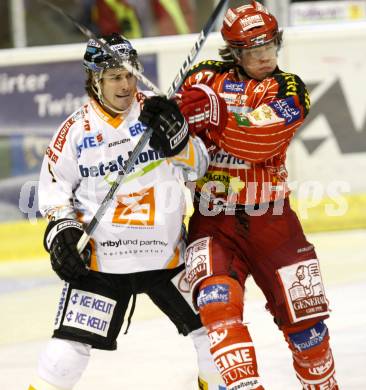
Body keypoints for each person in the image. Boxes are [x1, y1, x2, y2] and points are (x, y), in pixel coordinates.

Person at [29, 33, 225, 389]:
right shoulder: (74, 131)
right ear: (95, 80)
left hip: (167, 256)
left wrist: (179, 139)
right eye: (114, 77)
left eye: (130, 74)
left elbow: (199, 167)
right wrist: (63, 231)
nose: (125, 84)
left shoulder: (160, 111)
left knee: (215, 334)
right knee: (65, 354)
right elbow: (53, 190)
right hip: (104, 263)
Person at [172, 1, 339, 389]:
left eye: (270, 46)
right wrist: (166, 117)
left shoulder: (289, 88)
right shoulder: (203, 76)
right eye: (252, 50)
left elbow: (260, 140)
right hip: (212, 222)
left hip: (273, 223)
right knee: (217, 310)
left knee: (308, 331)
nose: (264, 56)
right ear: (234, 50)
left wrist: (217, 115)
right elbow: (176, 132)